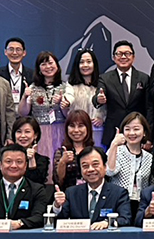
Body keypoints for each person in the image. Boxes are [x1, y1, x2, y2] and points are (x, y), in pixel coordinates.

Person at [0, 144, 49, 229]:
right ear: (0, 165)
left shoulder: (36, 189)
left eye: (19, 162)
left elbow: (40, 217)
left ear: (25, 165)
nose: (14, 166)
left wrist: (19, 223)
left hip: (23, 235)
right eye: (8, 161)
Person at [51, 146, 131, 228]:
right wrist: (57, 206)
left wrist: (108, 223)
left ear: (105, 167)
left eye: (95, 164)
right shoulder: (71, 193)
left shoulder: (119, 193)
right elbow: (57, 221)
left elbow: (125, 219)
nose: (90, 169)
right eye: (85, 166)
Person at [19, 51, 68, 180]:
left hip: (60, 130)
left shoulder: (65, 87)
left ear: (57, 66)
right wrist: (25, 97)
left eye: (50, 63)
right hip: (40, 133)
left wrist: (62, 104)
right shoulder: (32, 88)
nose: (48, 67)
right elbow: (23, 113)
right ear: (39, 68)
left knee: (59, 164)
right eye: (43, 64)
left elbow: (68, 115)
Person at [98, 40, 150, 143]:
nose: (123, 57)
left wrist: (148, 136)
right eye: (119, 54)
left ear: (133, 57)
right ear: (113, 58)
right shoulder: (105, 78)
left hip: (138, 132)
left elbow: (149, 108)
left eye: (127, 53)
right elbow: (97, 97)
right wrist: (99, 99)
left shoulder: (144, 78)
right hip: (113, 132)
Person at [105, 112, 154, 221]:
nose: (132, 133)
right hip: (118, 204)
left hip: (140, 206)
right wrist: (114, 144)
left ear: (144, 132)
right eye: (127, 129)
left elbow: (150, 183)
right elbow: (109, 171)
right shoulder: (116, 151)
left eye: (136, 129)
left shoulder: (149, 157)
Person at [65, 48, 107, 147]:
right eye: (82, 62)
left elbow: (108, 107)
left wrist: (102, 118)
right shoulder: (71, 85)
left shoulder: (102, 83)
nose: (85, 65)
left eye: (88, 62)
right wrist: (66, 101)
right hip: (77, 131)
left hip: (97, 130)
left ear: (94, 64)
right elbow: (69, 96)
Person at [53, 110, 94, 189]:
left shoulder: (94, 152)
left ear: (88, 128)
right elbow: (58, 181)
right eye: (72, 126)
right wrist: (63, 162)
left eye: (80, 126)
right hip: (67, 193)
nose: (76, 130)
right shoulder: (61, 152)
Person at [9, 116, 49, 186]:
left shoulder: (42, 161)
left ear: (35, 135)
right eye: (19, 132)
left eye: (27, 132)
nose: (23, 136)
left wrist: (31, 160)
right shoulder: (5, 156)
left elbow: (37, 185)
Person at [0, 37, 33, 105]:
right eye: (11, 49)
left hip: (25, 111)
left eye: (18, 49)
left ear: (24, 53)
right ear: (5, 52)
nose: (14, 53)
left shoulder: (32, 75)